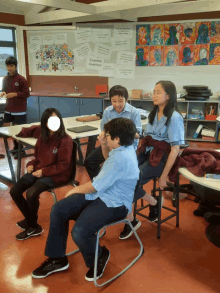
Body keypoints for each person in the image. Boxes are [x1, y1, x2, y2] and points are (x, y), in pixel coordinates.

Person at [31, 117, 139, 280]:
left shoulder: (121, 158)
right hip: (103, 193)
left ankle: (100, 255)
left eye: (108, 135)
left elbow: (95, 185)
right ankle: (57, 258)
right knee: (59, 210)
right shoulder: (123, 148)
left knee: (80, 232)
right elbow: (108, 159)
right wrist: (104, 144)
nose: (105, 136)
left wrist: (75, 190)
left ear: (117, 139)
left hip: (116, 203)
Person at [119, 80, 185, 240]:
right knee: (123, 173)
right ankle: (154, 202)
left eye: (158, 92)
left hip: (162, 158)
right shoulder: (153, 113)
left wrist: (164, 176)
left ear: (168, 96)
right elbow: (146, 137)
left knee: (132, 179)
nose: (153, 95)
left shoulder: (174, 118)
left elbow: (176, 148)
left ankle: (129, 220)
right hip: (148, 153)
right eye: (153, 91)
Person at [10, 108, 73, 241]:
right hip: (40, 171)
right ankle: (30, 220)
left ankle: (33, 226)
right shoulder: (42, 138)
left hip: (58, 175)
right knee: (15, 191)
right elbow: (37, 158)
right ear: (45, 123)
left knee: (31, 192)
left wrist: (43, 172)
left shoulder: (65, 140)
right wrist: (31, 165)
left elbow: (63, 165)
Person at [84, 85, 142, 180]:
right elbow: (104, 130)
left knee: (116, 169)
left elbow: (138, 135)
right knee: (89, 161)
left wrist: (121, 130)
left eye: (120, 101)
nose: (117, 105)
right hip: (110, 144)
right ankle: (100, 184)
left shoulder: (134, 112)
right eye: (114, 101)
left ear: (126, 99)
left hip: (126, 147)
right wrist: (104, 135)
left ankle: (111, 185)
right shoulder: (108, 111)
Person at [0, 56, 30, 159]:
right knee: (7, 129)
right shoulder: (5, 79)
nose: (9, 68)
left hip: (19, 110)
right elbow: (4, 90)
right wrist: (3, 93)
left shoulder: (21, 79)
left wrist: (15, 94)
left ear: (15, 66)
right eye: (8, 66)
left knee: (19, 130)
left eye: (11, 66)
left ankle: (21, 150)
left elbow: (27, 93)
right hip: (8, 109)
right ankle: (15, 147)